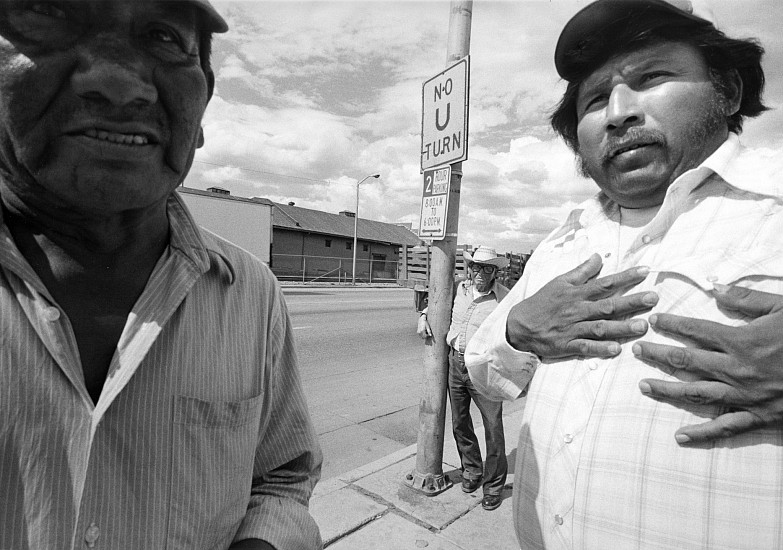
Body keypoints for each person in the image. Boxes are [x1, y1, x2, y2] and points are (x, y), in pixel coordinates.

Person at [0, 2, 322, 549]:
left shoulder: (250, 292)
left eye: (164, 38)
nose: (120, 81)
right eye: (50, 17)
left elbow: (282, 477)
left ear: (200, 112)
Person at [465, 0, 783, 548]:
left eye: (652, 76)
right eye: (594, 100)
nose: (619, 113)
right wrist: (517, 329)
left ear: (727, 90)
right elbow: (488, 375)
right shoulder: (562, 242)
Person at [418, 245, 510, 511]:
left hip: (484, 368)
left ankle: (493, 487)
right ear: (470, 268)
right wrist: (424, 315)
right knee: (460, 422)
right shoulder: (459, 288)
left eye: (488, 268)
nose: (480, 273)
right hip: (455, 363)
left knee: (493, 429)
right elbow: (436, 303)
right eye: (477, 267)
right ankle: (472, 470)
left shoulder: (503, 298)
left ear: (496, 272)